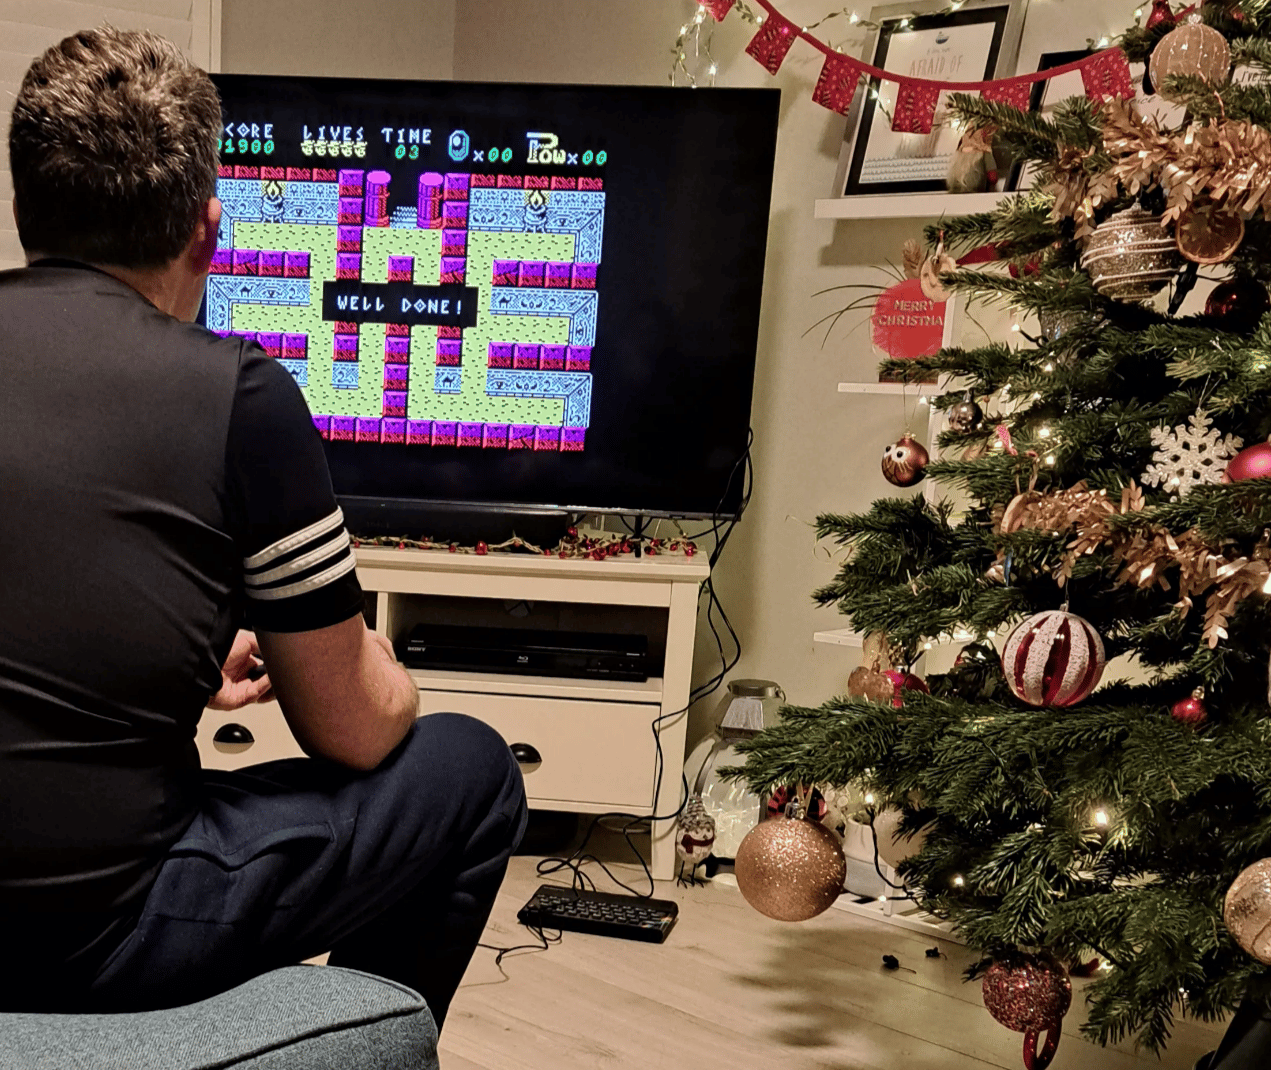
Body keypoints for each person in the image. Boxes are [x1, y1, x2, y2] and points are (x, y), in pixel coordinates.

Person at [0, 26, 526, 1026]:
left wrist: (166, 661)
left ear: (23, 207)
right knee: (471, 769)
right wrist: (376, 669)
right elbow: (353, 732)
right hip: (96, 932)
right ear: (209, 232)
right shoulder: (239, 394)